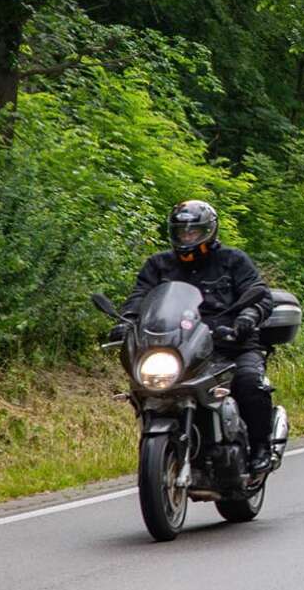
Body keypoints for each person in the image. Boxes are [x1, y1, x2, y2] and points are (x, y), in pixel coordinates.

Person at [114, 200, 277, 473]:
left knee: (250, 383)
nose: (187, 237)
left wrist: (248, 317)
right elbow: (139, 297)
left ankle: (261, 446)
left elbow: (260, 294)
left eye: (193, 231)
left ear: (209, 230)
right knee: (149, 387)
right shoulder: (158, 265)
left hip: (230, 344)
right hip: (182, 348)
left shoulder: (233, 260)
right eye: (182, 232)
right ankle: (165, 453)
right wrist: (126, 320)